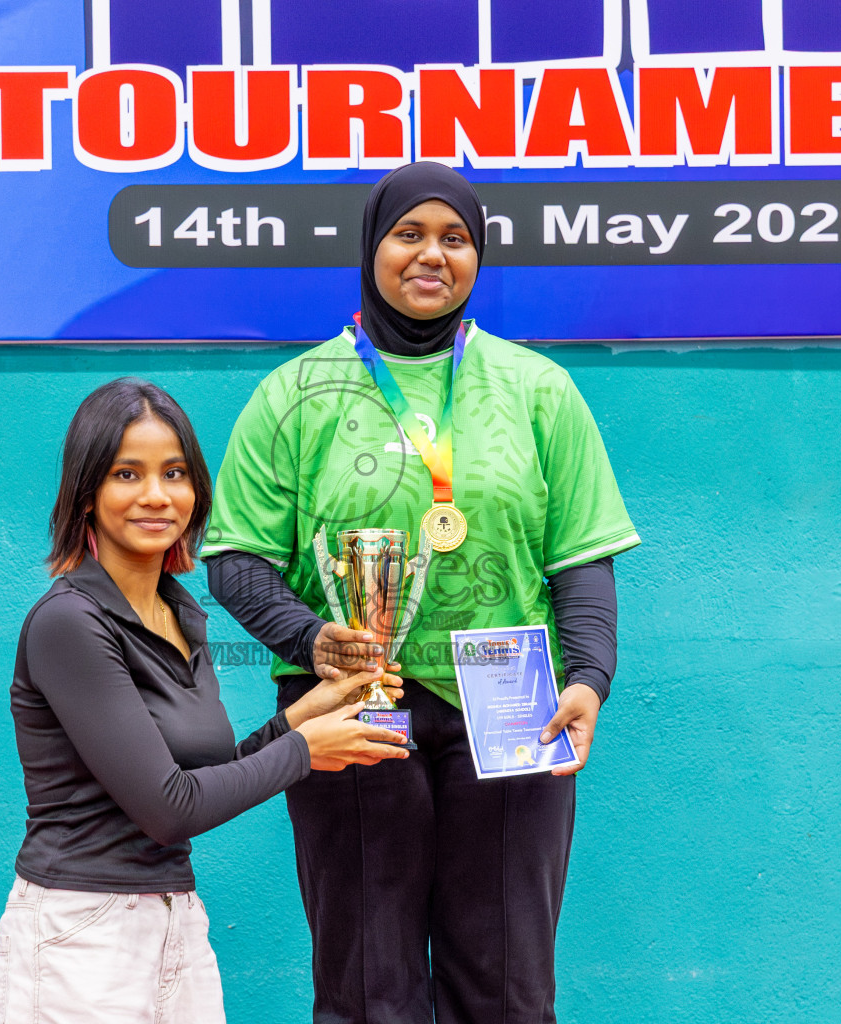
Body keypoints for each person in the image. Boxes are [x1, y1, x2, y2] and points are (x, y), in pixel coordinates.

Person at [202, 161, 640, 1024]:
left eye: (456, 239)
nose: (432, 255)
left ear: (478, 258)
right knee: (370, 989)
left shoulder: (539, 391)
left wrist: (588, 678)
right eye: (410, 234)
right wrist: (312, 639)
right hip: (351, 703)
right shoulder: (294, 395)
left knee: (508, 987)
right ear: (372, 249)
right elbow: (236, 558)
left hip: (513, 705)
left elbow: (582, 559)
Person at [0, 378, 410, 1024]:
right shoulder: (69, 623)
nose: (157, 496)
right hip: (82, 933)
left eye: (175, 473)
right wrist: (302, 750)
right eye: (127, 473)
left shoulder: (178, 614)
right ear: (87, 493)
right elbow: (169, 808)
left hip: (175, 920)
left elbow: (200, 776)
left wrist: (306, 715)